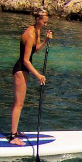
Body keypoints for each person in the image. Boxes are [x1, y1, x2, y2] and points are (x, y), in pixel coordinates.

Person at [8, 9, 53, 145]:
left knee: (20, 103)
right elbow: (26, 60)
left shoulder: (37, 31)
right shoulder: (31, 34)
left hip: (25, 69)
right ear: (37, 19)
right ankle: (13, 137)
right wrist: (38, 75)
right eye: (44, 22)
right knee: (19, 103)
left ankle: (15, 131)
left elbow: (36, 50)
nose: (45, 24)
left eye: (47, 22)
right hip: (21, 69)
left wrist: (45, 40)